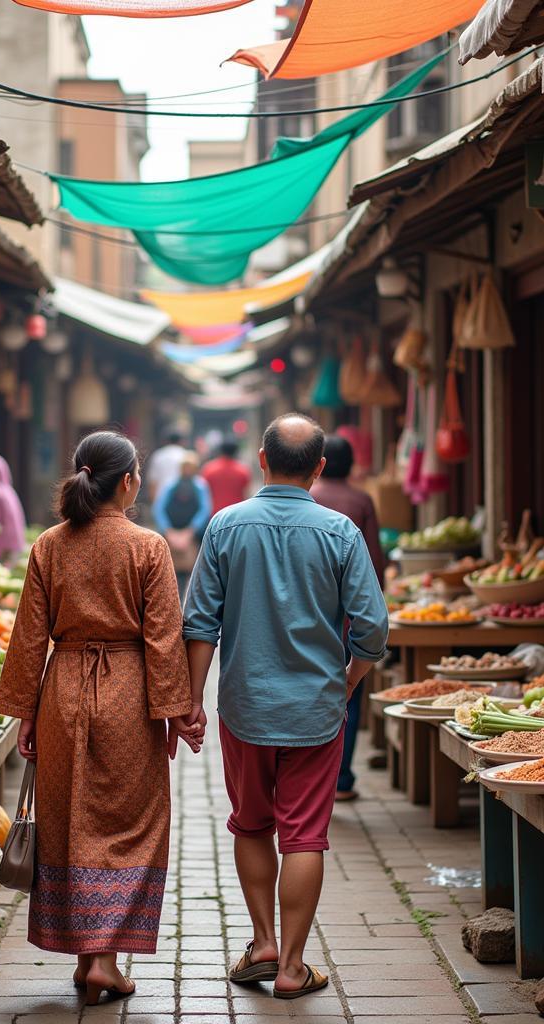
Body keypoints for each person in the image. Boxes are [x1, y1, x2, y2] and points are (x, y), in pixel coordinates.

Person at [0, 431, 204, 1008]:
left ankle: (92, 958)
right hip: (128, 698)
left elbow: (29, 637)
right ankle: (104, 961)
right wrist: (178, 713)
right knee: (132, 821)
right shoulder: (148, 547)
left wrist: (24, 713)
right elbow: (164, 639)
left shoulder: (50, 546)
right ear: (130, 482)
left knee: (70, 817)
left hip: (62, 693)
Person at [182, 413, 388, 1000]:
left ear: (262, 460)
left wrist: (193, 702)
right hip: (316, 712)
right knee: (304, 836)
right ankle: (294, 967)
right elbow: (372, 628)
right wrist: (348, 681)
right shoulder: (341, 532)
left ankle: (263, 941)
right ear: (319, 469)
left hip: (244, 709)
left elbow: (200, 624)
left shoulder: (224, 527)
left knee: (251, 823)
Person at [312, 434, 386, 802]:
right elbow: (375, 565)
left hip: (312, 619)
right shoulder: (361, 500)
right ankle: (340, 779)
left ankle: (307, 775)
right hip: (348, 622)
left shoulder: (308, 499)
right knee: (348, 696)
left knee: (309, 690)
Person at [152, 452, 212, 596]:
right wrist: (169, 531)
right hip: (175, 534)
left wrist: (189, 531)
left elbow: (204, 510)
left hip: (190, 536)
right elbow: (159, 508)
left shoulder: (199, 486)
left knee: (190, 573)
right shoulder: (172, 485)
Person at [201, 437, 252, 515]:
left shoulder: (209, 469)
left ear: (221, 450)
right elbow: (247, 494)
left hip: (214, 515)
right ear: (236, 451)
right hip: (236, 514)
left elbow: (204, 494)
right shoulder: (243, 470)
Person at [145, 429, 186, 503]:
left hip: (161, 499)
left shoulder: (158, 455)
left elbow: (153, 482)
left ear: (166, 441)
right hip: (182, 499)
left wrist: (154, 503)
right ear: (182, 441)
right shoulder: (186, 455)